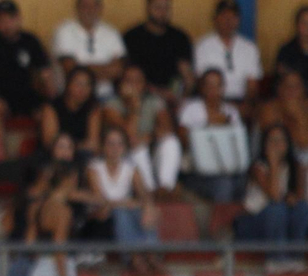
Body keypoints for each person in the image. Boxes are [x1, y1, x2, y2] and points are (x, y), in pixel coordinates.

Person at [235, 125, 308, 272]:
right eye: (272, 141)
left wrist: (292, 199)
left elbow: (300, 200)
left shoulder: (296, 167)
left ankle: (296, 258)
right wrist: (274, 163)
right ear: (264, 144)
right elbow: (275, 196)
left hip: (282, 225)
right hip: (253, 223)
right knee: (276, 209)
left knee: (302, 208)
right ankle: (276, 260)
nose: (277, 145)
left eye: (281, 140)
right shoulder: (258, 167)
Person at [86, 126, 160, 276]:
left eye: (119, 144)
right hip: (102, 217)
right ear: (103, 146)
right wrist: (128, 203)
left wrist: (148, 207)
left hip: (123, 212)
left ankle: (151, 253)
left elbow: (144, 194)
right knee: (121, 211)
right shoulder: (94, 168)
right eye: (110, 143)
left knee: (145, 210)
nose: (115, 148)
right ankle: (133, 256)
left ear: (124, 147)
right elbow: (101, 200)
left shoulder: (130, 167)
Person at [0, 0, 52, 134]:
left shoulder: (30, 40)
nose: (7, 24)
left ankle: (47, 152)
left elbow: (45, 73)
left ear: (19, 18)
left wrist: (53, 101)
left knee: (48, 112)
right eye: (2, 20)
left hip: (24, 95)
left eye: (11, 18)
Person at [100, 64, 180, 195]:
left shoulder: (154, 101)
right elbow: (128, 136)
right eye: (129, 81)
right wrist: (134, 105)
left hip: (150, 150)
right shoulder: (111, 105)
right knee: (137, 148)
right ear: (120, 84)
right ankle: (149, 191)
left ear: (144, 84)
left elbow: (167, 130)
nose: (133, 85)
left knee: (171, 142)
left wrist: (147, 138)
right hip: (124, 155)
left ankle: (165, 189)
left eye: (138, 81)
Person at [177, 69, 249, 203]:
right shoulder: (191, 109)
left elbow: (237, 143)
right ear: (202, 87)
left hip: (228, 167)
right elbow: (183, 140)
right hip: (198, 172)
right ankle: (221, 222)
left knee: (242, 180)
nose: (213, 89)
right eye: (209, 85)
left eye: (217, 85)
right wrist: (212, 125)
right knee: (223, 184)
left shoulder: (231, 112)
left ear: (223, 88)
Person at [121, 0, 194, 103]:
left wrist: (181, 97)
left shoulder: (180, 37)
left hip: (173, 97)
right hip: (140, 96)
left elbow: (187, 75)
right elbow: (127, 75)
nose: (162, 12)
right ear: (147, 8)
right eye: (158, 7)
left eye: (166, 8)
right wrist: (155, 91)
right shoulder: (132, 37)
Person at [52, 0, 125, 98]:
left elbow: (118, 70)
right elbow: (70, 69)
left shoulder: (111, 32)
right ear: (77, 7)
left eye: (94, 5)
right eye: (85, 5)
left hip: (106, 96)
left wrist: (83, 67)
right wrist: (105, 69)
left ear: (100, 8)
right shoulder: (64, 31)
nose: (90, 9)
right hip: (73, 98)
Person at [193, 0, 263, 115]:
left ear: (238, 20)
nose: (228, 20)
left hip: (241, 102)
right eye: (224, 16)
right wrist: (222, 107)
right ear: (215, 19)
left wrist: (246, 105)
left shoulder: (250, 48)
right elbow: (202, 83)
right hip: (213, 102)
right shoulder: (203, 46)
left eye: (233, 17)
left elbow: (252, 85)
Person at [256, 69, 308, 166]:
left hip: (304, 160)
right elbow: (275, 141)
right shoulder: (268, 108)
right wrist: (290, 116)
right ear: (279, 89)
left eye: (297, 86)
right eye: (288, 86)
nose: (292, 91)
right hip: (272, 160)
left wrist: (299, 118)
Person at [40, 66, 101, 155]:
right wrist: (67, 148)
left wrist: (69, 147)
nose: (82, 89)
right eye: (78, 84)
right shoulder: (52, 107)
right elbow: (49, 141)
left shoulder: (93, 108)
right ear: (68, 84)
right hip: (54, 154)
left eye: (87, 85)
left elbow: (93, 144)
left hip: (81, 155)